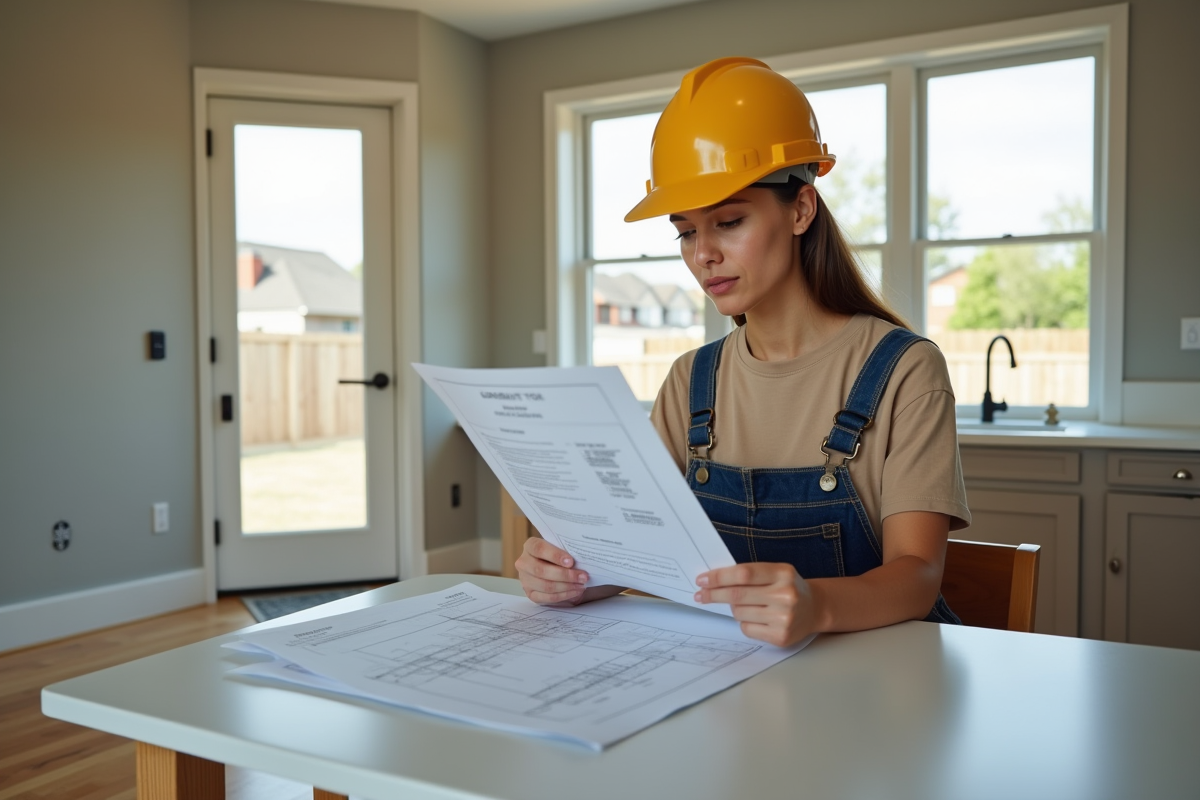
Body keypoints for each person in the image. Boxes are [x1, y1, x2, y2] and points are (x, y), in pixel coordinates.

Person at [516, 56, 970, 647]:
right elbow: (646, 556)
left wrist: (816, 604)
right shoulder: (690, 380)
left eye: (728, 221)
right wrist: (575, 576)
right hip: (733, 681)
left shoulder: (905, 369)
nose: (702, 254)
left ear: (801, 209)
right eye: (685, 231)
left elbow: (918, 577)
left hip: (879, 686)